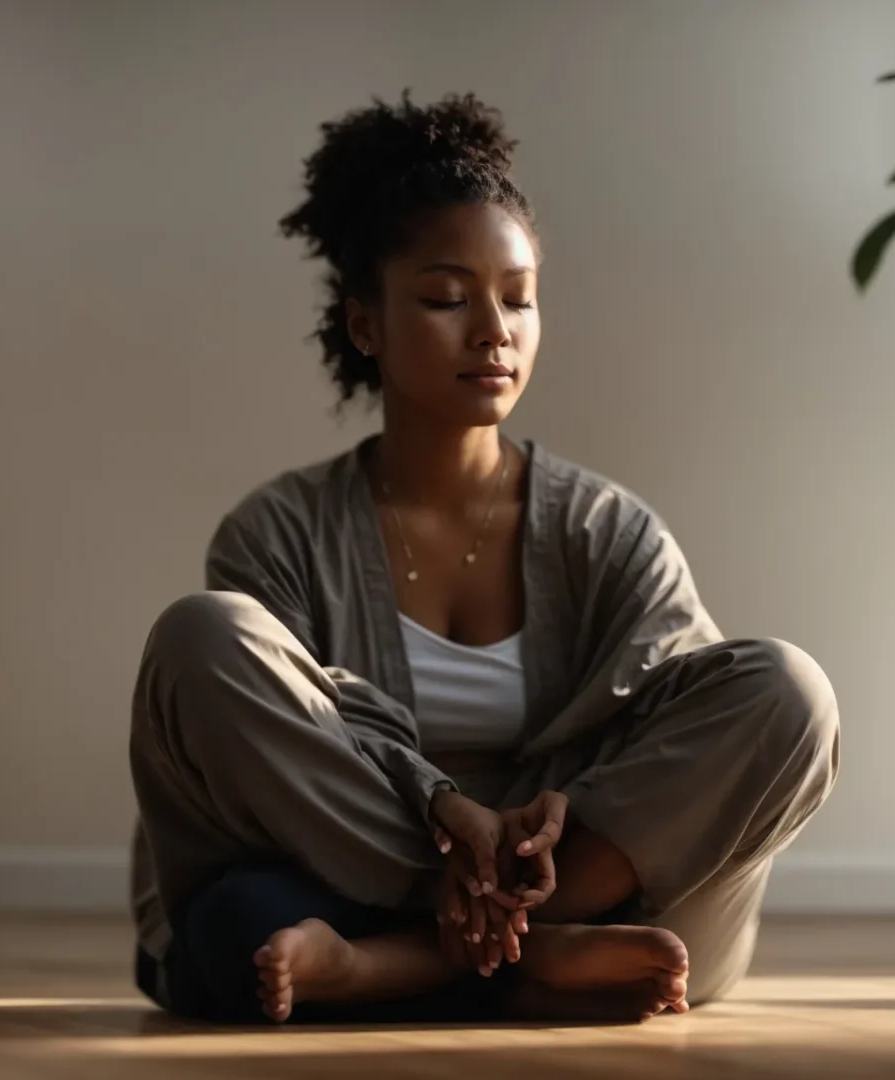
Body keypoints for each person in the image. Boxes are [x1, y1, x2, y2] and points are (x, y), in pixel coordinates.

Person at [128, 91, 838, 1026]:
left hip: (584, 878)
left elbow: (684, 717)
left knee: (791, 688)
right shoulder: (280, 531)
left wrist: (557, 824)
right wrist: (441, 807)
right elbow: (265, 742)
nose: (493, 329)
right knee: (204, 648)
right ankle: (523, 961)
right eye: (446, 298)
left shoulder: (606, 529)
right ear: (365, 325)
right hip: (348, 870)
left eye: (519, 297)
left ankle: (404, 965)